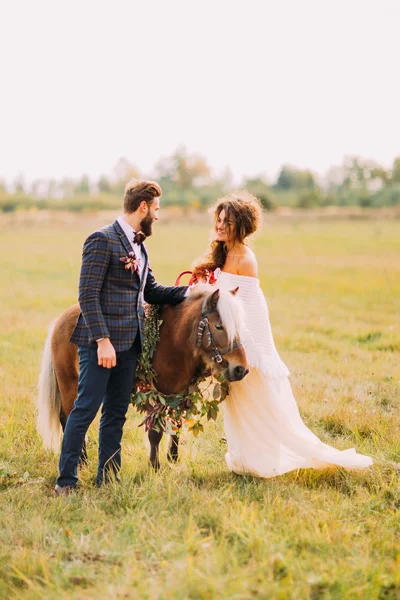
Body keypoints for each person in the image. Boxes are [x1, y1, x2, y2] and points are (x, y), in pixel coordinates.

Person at [192, 191, 373, 477]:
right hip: (227, 342)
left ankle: (265, 461)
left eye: (226, 222)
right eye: (218, 219)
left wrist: (246, 351)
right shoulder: (223, 253)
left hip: (244, 345)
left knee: (259, 407)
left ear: (240, 226)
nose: (219, 226)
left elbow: (251, 311)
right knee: (237, 405)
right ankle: (244, 459)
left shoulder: (245, 260)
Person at [55, 179, 188, 494]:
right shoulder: (101, 239)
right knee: (85, 409)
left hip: (130, 345)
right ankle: (66, 481)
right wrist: (102, 341)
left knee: (115, 413)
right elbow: (87, 296)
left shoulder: (140, 246)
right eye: (155, 209)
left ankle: (108, 479)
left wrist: (193, 291)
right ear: (143, 207)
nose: (157, 215)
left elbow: (152, 292)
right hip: (100, 345)